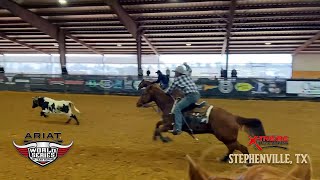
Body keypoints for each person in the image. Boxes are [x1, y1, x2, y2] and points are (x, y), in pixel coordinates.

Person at [165, 65, 200, 135]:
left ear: (178, 73)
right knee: (183, 107)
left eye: (175, 72)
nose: (175, 74)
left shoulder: (177, 80)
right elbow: (190, 69)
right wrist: (186, 65)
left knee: (177, 108)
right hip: (197, 95)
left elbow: (169, 91)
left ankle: (178, 129)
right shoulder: (187, 76)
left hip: (190, 96)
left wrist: (164, 92)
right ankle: (182, 123)